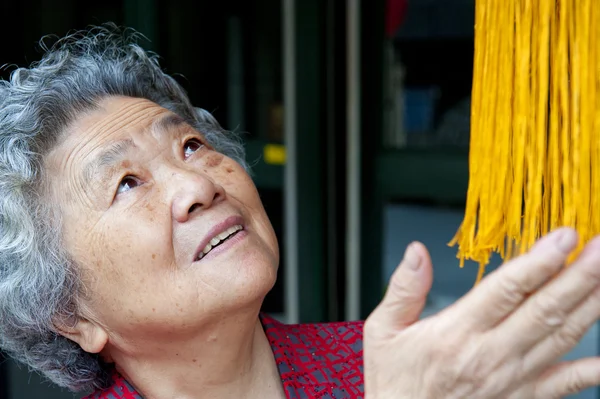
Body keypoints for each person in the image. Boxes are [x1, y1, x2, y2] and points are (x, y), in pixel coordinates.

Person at [1, 24, 600, 399]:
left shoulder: (386, 361)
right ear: (73, 316)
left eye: (191, 145)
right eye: (127, 183)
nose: (196, 184)